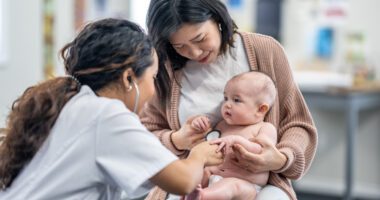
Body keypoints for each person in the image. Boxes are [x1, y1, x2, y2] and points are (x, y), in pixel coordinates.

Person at [0, 18, 224, 200]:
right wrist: (199, 154)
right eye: (153, 78)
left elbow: (138, 166)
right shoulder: (107, 116)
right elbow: (183, 181)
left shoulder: (76, 105)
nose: (154, 90)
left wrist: (177, 141)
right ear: (129, 78)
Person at [140, 0, 318, 199]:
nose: (194, 53)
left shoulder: (266, 50)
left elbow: (296, 122)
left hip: (257, 183)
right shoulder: (164, 67)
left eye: (200, 38)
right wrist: (176, 140)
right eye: (179, 46)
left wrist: (280, 158)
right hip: (193, 176)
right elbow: (144, 135)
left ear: (217, 18)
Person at [186, 71, 278, 200]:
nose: (227, 104)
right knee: (200, 173)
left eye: (236, 100)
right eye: (225, 98)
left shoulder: (264, 128)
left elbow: (262, 151)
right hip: (213, 178)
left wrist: (237, 140)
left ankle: (202, 196)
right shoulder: (222, 125)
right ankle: (192, 193)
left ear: (260, 109)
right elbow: (207, 143)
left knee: (233, 186)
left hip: (245, 186)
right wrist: (199, 124)